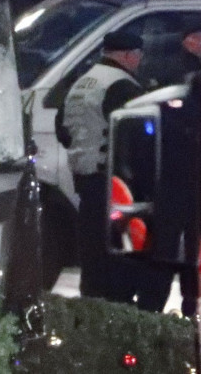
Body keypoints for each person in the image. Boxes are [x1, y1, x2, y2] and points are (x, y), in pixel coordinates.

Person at [57, 32, 172, 310]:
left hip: (88, 190)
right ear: (128, 55)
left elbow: (63, 130)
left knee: (95, 271)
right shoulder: (122, 87)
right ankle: (136, 328)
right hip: (118, 192)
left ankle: (97, 330)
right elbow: (143, 139)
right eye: (138, 56)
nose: (139, 62)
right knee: (137, 265)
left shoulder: (81, 84)